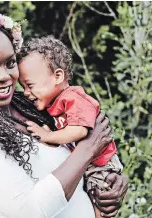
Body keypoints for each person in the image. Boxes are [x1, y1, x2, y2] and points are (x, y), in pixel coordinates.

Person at [0, 10, 128, 218]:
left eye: (10, 63)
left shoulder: (32, 109)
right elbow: (29, 212)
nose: (4, 76)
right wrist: (87, 151)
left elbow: (75, 170)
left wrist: (112, 181)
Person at [17, 36, 124, 217]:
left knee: (101, 202)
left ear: (58, 76)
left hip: (101, 164)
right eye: (23, 87)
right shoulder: (53, 103)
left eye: (30, 85)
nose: (26, 93)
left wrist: (47, 136)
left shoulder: (73, 98)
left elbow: (79, 130)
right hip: (90, 163)